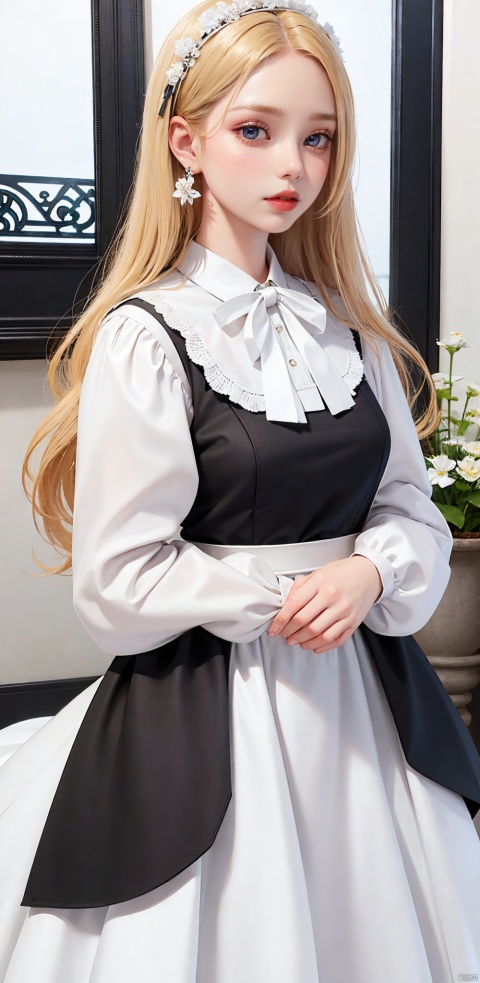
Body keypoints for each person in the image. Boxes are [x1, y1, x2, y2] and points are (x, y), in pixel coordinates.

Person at [1, 1, 479, 980]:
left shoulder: (349, 331)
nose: (291, 167)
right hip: (209, 707)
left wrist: (365, 570)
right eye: (254, 131)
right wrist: (279, 597)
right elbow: (120, 577)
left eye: (318, 138)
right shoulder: (149, 335)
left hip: (363, 699)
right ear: (186, 141)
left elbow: (410, 515)